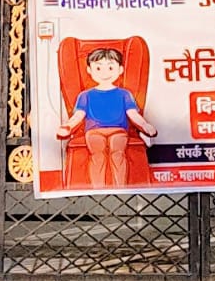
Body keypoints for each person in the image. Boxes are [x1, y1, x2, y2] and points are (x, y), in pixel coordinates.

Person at [57, 45, 157, 188]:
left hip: (118, 131)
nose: (104, 72)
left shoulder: (124, 94)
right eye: (98, 68)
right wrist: (68, 126)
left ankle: (120, 187)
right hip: (94, 132)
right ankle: (98, 187)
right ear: (89, 70)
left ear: (120, 69)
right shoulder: (85, 95)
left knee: (118, 154)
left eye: (110, 67)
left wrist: (145, 125)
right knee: (97, 155)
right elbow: (78, 115)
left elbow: (133, 114)